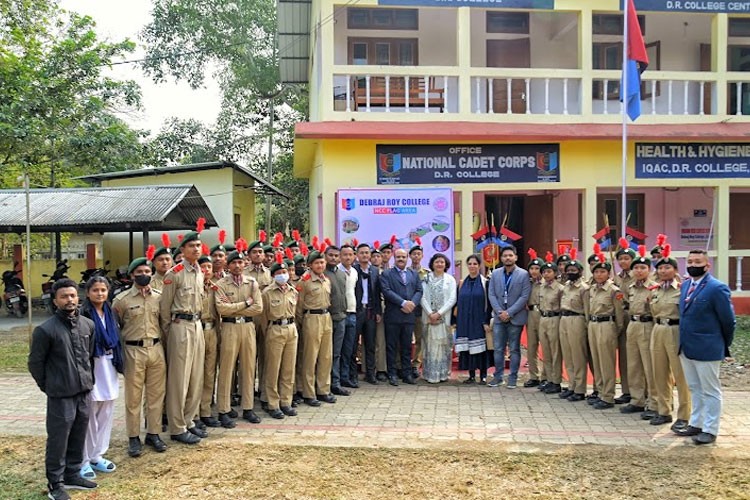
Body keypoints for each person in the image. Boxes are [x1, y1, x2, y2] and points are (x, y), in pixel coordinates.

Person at [29, 278, 97, 499]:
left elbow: (90, 356)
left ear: (78, 297)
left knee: (79, 434)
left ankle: (72, 474)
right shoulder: (45, 330)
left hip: (84, 392)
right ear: (56, 300)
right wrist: (49, 386)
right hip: (60, 395)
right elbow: (35, 364)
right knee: (58, 439)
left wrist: (88, 380)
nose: (69, 300)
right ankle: (55, 484)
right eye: (64, 296)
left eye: (73, 295)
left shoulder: (88, 325)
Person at [677, 249, 735, 444]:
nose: (693, 265)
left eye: (698, 262)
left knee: (710, 390)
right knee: (694, 387)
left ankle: (710, 429)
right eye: (690, 261)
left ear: (707, 265)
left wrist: (723, 344)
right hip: (686, 347)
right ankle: (696, 423)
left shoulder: (717, 288)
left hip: (708, 347)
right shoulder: (686, 286)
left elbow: (728, 320)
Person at [112, 252, 167, 458]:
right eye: (139, 272)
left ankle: (154, 433)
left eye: (146, 271)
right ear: (132, 275)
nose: (143, 274)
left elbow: (164, 323)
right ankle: (133, 437)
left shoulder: (158, 297)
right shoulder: (122, 300)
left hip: (156, 349)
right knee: (133, 398)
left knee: (156, 395)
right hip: (133, 350)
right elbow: (115, 327)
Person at [159, 223, 207, 444]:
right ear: (183, 250)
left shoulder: (199, 271)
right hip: (181, 327)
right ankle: (177, 427)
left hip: (197, 326)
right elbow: (165, 309)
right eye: (191, 246)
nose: (196, 249)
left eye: (198, 245)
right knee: (180, 379)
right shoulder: (175, 274)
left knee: (196, 376)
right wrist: (170, 334)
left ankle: (189, 421)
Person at [79, 277, 122, 480]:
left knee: (106, 414)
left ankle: (97, 456)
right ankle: (84, 460)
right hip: (92, 370)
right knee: (89, 418)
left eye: (103, 290)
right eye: (95, 290)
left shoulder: (111, 313)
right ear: (88, 293)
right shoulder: (83, 315)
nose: (99, 294)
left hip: (110, 368)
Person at [215, 248, 264, 426]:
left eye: (240, 262)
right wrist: (245, 303)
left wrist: (234, 306)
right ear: (228, 265)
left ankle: (248, 407)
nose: (237, 265)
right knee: (227, 368)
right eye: (234, 262)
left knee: (249, 367)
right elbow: (222, 309)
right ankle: (223, 409)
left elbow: (258, 308)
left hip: (248, 327)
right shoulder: (221, 284)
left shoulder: (252, 283)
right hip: (229, 327)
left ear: (245, 264)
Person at [649, 244, 691, 428]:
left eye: (667, 267)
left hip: (675, 331)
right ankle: (663, 411)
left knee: (680, 375)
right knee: (659, 372)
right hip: (657, 330)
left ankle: (684, 415)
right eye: (660, 267)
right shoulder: (655, 290)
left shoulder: (682, 289)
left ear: (675, 270)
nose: (663, 270)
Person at [585, 253, 625, 410]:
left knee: (606, 362)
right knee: (596, 360)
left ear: (608, 273)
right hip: (594, 325)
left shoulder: (614, 291)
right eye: (596, 272)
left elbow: (619, 316)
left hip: (607, 325)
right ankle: (600, 392)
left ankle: (608, 396)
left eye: (602, 272)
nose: (599, 274)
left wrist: (614, 331)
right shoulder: (592, 289)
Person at [620, 247, 658, 416]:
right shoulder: (631, 287)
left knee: (649, 366)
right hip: (633, 325)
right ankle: (637, 400)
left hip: (647, 326)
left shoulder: (654, 288)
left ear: (649, 270)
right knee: (633, 364)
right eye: (636, 268)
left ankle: (653, 402)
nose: (639, 270)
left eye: (643, 268)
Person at [296, 249, 336, 406]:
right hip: (311, 318)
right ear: (310, 265)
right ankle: (308, 392)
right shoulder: (304, 281)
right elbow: (298, 307)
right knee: (310, 356)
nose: (320, 265)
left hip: (326, 317)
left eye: (322, 262)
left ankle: (323, 390)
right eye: (317, 263)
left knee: (326, 356)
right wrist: (303, 322)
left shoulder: (326, 280)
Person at [488, 245, 531, 389]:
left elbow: (524, 296)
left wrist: (509, 312)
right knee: (498, 348)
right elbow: (492, 294)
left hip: (516, 317)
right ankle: (498, 377)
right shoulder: (495, 274)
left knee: (514, 349)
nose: (507, 258)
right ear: (501, 258)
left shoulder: (524, 274)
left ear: (516, 257)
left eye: (510, 255)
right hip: (499, 317)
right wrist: (500, 312)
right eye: (505, 256)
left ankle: (513, 378)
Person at [262, 254, 299, 419]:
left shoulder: (293, 291)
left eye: (285, 271)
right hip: (275, 329)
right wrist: (269, 331)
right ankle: (273, 403)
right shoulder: (267, 293)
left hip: (291, 329)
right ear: (273, 275)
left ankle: (286, 401)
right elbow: (263, 318)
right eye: (280, 272)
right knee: (273, 369)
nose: (284, 274)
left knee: (288, 369)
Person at [380, 248, 424, 386]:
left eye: (403, 257)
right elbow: (386, 291)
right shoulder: (387, 274)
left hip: (409, 316)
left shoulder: (413, 274)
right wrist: (403, 302)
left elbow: (419, 290)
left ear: (407, 258)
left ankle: (407, 374)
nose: (401, 259)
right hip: (393, 315)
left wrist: (412, 303)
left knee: (406, 347)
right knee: (392, 346)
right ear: (394, 257)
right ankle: (392, 374)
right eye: (398, 257)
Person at [420, 253, 457, 384]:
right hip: (429, 319)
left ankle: (442, 374)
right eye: (437, 262)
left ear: (446, 264)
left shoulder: (450, 279)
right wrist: (431, 313)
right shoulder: (426, 278)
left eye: (442, 262)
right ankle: (430, 374)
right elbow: (422, 297)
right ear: (432, 264)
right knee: (430, 346)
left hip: (443, 318)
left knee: (442, 346)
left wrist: (439, 313)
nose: (439, 264)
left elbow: (452, 299)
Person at [456, 255, 493, 384]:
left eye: (475, 264)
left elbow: (489, 304)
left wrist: (486, 321)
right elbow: (457, 304)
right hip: (465, 321)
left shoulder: (485, 283)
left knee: (481, 349)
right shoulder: (461, 283)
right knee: (467, 348)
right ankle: (471, 375)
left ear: (479, 265)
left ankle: (483, 376)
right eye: (470, 264)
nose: (472, 266)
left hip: (479, 321)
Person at [558, 252, 589, 401]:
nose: (570, 273)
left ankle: (580, 388)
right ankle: (571, 385)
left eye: (573, 271)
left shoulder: (584, 288)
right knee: (568, 355)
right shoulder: (565, 287)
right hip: (564, 319)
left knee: (578, 356)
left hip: (577, 320)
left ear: (580, 272)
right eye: (568, 270)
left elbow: (587, 310)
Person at [197, 254, 221, 428]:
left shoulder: (216, 289)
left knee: (209, 372)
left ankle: (205, 410)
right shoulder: (193, 288)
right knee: (195, 374)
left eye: (209, 267)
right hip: (196, 331)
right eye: (202, 267)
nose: (206, 270)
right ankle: (194, 413)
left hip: (212, 331)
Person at [354, 243, 382, 385]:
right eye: (362, 253)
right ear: (357, 255)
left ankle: (371, 374)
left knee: (370, 344)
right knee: (353, 344)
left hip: (371, 311)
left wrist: (378, 311)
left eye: (367, 253)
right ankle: (352, 375)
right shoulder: (353, 270)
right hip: (357, 311)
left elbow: (377, 293)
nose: (365, 255)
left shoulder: (375, 271)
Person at [323, 245, 349, 397]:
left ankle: (335, 383)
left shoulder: (341, 274)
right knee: (325, 354)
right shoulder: (322, 274)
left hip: (341, 318)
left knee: (337, 353)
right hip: (326, 318)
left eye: (336, 256)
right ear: (325, 256)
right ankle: (323, 384)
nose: (333, 258)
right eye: (330, 255)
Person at [537, 253, 564, 394]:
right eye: (544, 272)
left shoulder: (560, 289)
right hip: (543, 318)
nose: (546, 274)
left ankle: (556, 380)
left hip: (555, 318)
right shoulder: (542, 287)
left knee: (555, 352)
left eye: (549, 272)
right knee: (545, 351)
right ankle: (547, 378)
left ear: (555, 273)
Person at [613, 239, 635, 405]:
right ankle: (626, 390)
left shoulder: (639, 275)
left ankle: (640, 392)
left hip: (634, 315)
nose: (623, 261)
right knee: (623, 355)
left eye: (627, 258)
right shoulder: (617, 278)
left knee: (636, 357)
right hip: (621, 315)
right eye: (620, 259)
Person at [338, 244, 360, 389]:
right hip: (340, 314)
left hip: (352, 313)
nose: (347, 257)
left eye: (350, 254)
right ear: (340, 256)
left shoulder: (354, 272)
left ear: (354, 256)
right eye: (344, 254)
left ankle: (345, 377)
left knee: (349, 349)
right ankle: (336, 378)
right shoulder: (336, 271)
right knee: (337, 349)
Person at [524, 249, 545, 388]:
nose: (534, 271)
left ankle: (547, 376)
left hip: (544, 315)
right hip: (531, 314)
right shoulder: (527, 283)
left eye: (537, 268)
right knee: (531, 346)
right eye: (532, 268)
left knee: (546, 346)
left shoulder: (546, 283)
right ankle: (533, 375)